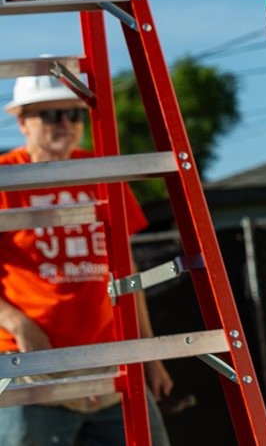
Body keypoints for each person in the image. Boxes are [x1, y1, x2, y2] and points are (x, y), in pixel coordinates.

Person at [0, 74, 173, 446]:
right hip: (30, 365)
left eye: (74, 115)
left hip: (110, 360)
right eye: (52, 115)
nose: (66, 124)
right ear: (22, 122)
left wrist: (149, 354)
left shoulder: (100, 173)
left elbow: (127, 271)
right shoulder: (5, 180)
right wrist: (18, 323)